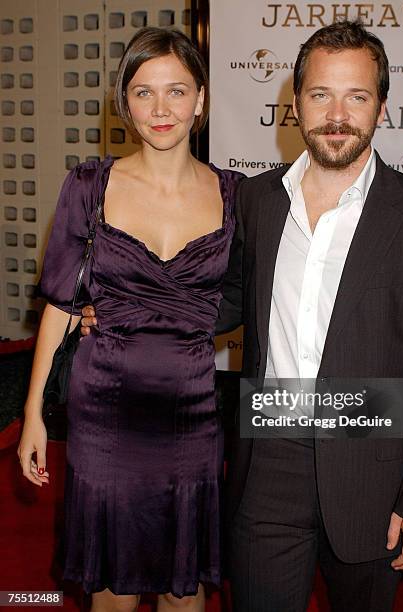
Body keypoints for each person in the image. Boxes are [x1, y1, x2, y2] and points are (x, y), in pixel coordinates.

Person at [81, 20, 403, 612]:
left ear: (382, 108)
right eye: (320, 95)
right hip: (268, 464)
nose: (337, 114)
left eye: (356, 96)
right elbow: (224, 297)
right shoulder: (257, 201)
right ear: (296, 104)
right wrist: (125, 315)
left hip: (375, 469)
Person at [17, 27, 242, 612]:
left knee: (181, 589)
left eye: (176, 90)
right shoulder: (89, 186)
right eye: (144, 93)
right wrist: (34, 413)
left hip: (191, 409)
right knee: (113, 588)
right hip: (104, 411)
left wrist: (182, 316)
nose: (161, 109)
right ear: (125, 102)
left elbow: (250, 296)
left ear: (202, 98)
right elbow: (62, 307)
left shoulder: (236, 196)